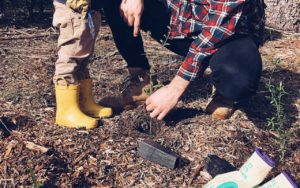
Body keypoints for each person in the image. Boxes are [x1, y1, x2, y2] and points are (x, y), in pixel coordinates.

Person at [99, 0, 265, 120]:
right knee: (115, 2)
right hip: (183, 23)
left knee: (239, 79)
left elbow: (216, 32)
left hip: (230, 36)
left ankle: (224, 94)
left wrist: (175, 88)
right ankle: (142, 83)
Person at [52, 0, 113, 129]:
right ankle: (66, 111)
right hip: (72, 8)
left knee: (83, 57)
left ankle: (84, 103)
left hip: (89, 9)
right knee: (70, 57)